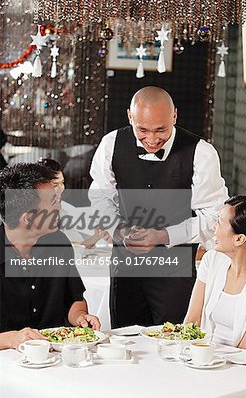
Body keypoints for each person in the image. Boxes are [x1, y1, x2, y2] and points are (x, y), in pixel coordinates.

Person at [89, 86, 228, 328]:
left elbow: (215, 217)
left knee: (173, 341)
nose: (152, 140)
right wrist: (117, 230)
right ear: (130, 117)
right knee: (126, 340)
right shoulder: (110, 144)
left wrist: (164, 235)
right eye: (142, 130)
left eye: (161, 130)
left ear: (174, 116)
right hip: (125, 267)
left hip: (174, 273)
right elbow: (100, 196)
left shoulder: (201, 153)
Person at [0, 163, 101, 350]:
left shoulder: (59, 242)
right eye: (54, 201)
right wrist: (11, 339)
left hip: (56, 358)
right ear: (28, 218)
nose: (60, 206)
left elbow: (74, 298)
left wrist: (80, 317)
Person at [184, 195, 246, 353]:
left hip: (244, 370)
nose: (213, 228)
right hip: (204, 361)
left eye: (219, 222)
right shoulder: (211, 261)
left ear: (239, 239)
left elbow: (245, 350)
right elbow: (191, 322)